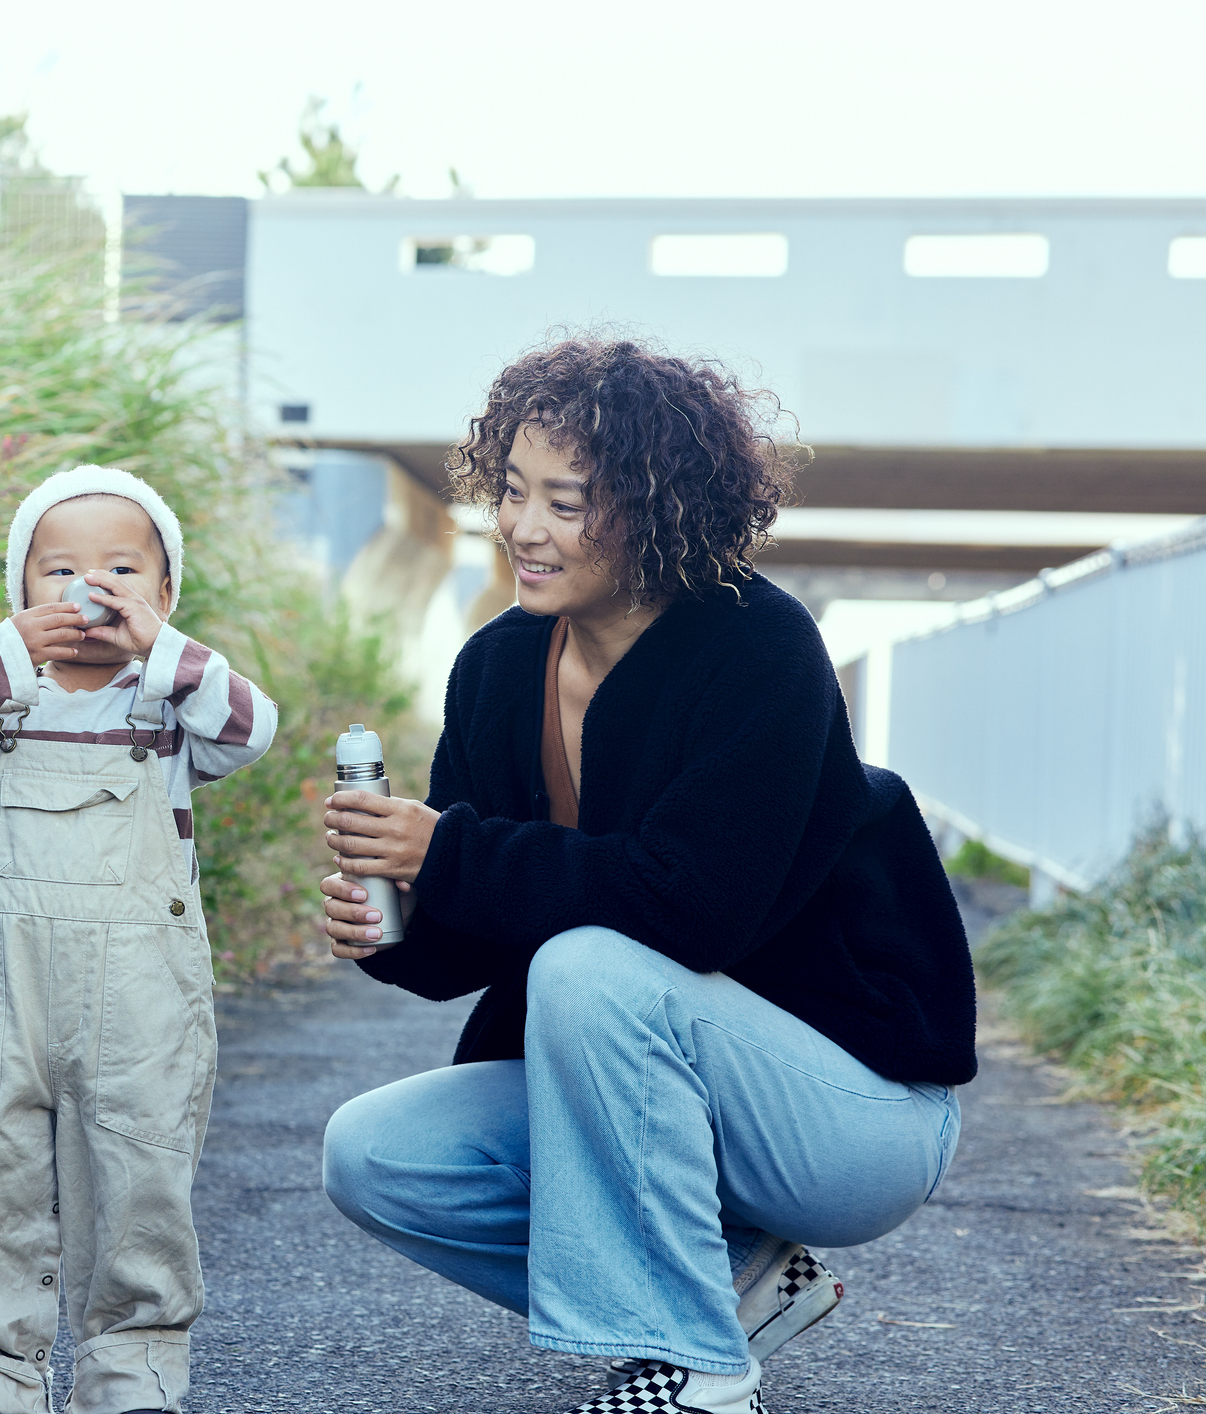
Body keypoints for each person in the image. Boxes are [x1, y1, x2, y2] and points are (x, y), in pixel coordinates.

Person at [315, 339, 976, 1414]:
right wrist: (394, 923)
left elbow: (690, 911)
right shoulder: (496, 666)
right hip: (655, 1076)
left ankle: (702, 1376)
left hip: (846, 1112)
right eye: (513, 491)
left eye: (566, 502)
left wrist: (446, 851)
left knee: (588, 965)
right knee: (376, 1155)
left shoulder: (758, 646)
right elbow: (473, 942)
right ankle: (732, 1291)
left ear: (660, 507)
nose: (523, 527)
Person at [0, 465, 278, 1414]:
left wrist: (169, 649)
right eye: (56, 572)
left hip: (140, 994)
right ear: (18, 595)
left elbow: (252, 731)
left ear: (167, 594)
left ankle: (134, 1367)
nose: (88, 590)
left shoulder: (172, 708)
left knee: (141, 1172)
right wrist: (4, 653)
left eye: (121, 571)